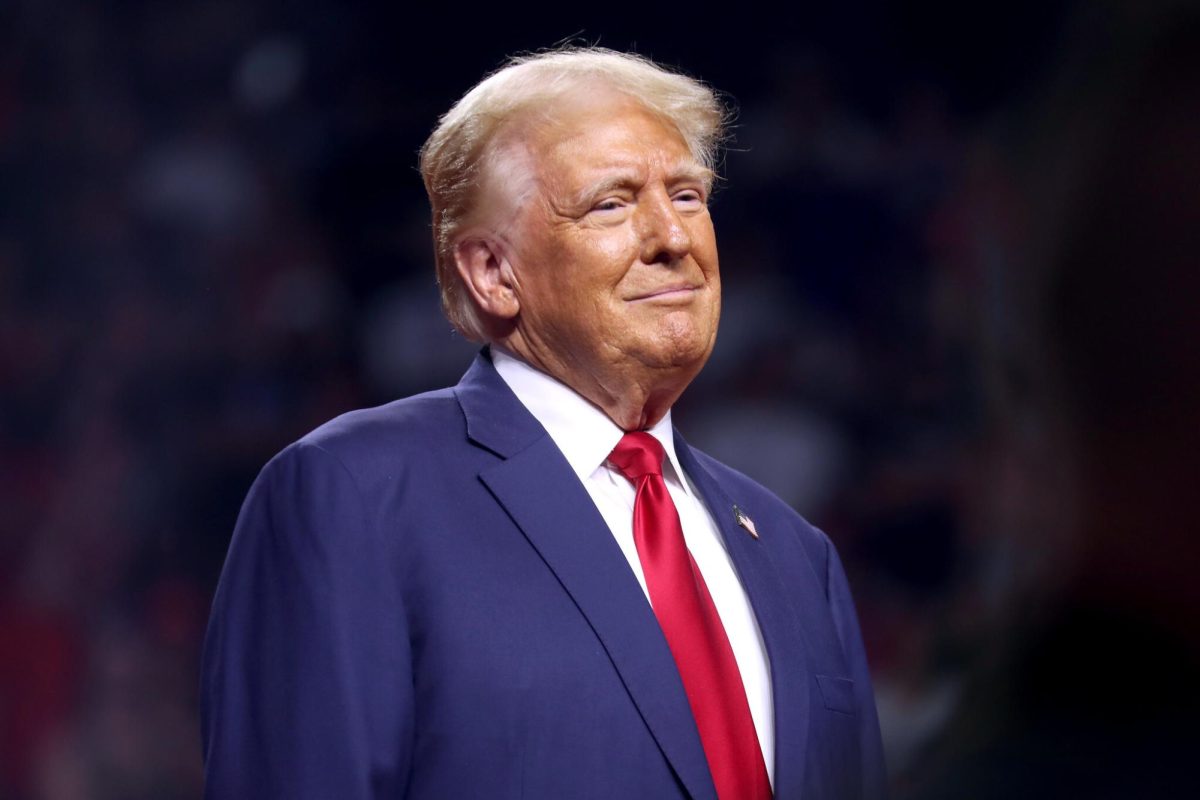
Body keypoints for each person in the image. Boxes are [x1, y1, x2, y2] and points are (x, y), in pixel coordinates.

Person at [201, 47, 886, 800]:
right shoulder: (354, 497)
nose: (673, 237)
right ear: (492, 273)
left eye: (688, 195)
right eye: (612, 203)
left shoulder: (796, 554)